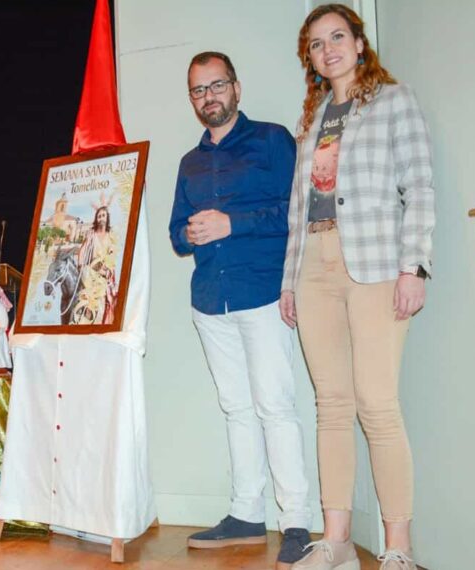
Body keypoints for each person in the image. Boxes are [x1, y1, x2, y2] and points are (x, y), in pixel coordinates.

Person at [279, 5, 434, 570]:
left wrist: (414, 266)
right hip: (314, 266)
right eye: (317, 45)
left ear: (359, 43)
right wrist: (290, 281)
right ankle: (337, 541)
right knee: (331, 406)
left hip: (373, 262)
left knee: (377, 404)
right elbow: (301, 209)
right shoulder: (315, 118)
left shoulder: (395, 101)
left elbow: (418, 186)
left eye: (337, 37)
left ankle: (398, 549)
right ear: (312, 60)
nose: (329, 49)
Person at [168, 51, 312, 565]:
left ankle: (296, 521)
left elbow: (296, 210)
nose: (209, 97)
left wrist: (232, 223)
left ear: (236, 87)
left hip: (264, 292)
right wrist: (187, 232)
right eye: (198, 90)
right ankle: (246, 514)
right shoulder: (189, 162)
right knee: (236, 410)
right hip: (209, 300)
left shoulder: (273, 141)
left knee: (276, 406)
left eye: (217, 85)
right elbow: (176, 232)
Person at [72, 202, 117, 325]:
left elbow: (113, 256)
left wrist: (107, 270)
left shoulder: (111, 237)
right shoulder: (92, 235)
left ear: (107, 218)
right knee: (86, 304)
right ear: (96, 219)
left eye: (103, 215)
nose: (101, 218)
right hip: (90, 274)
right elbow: (83, 250)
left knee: (106, 303)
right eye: (99, 216)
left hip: (105, 276)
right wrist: (81, 266)